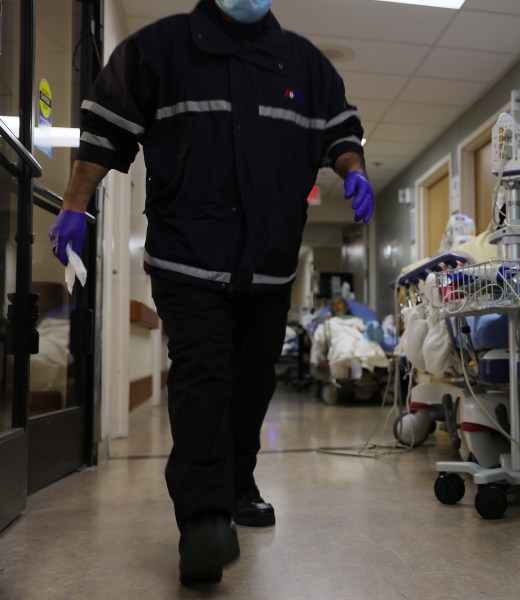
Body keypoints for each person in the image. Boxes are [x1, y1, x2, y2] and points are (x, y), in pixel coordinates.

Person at [47, 0, 375, 585]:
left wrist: (353, 169)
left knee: (252, 382)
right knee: (203, 374)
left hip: (270, 266)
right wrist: (74, 205)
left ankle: (238, 481)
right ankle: (202, 521)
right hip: (188, 258)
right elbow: (102, 133)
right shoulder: (158, 50)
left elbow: (340, 129)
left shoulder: (305, 64)